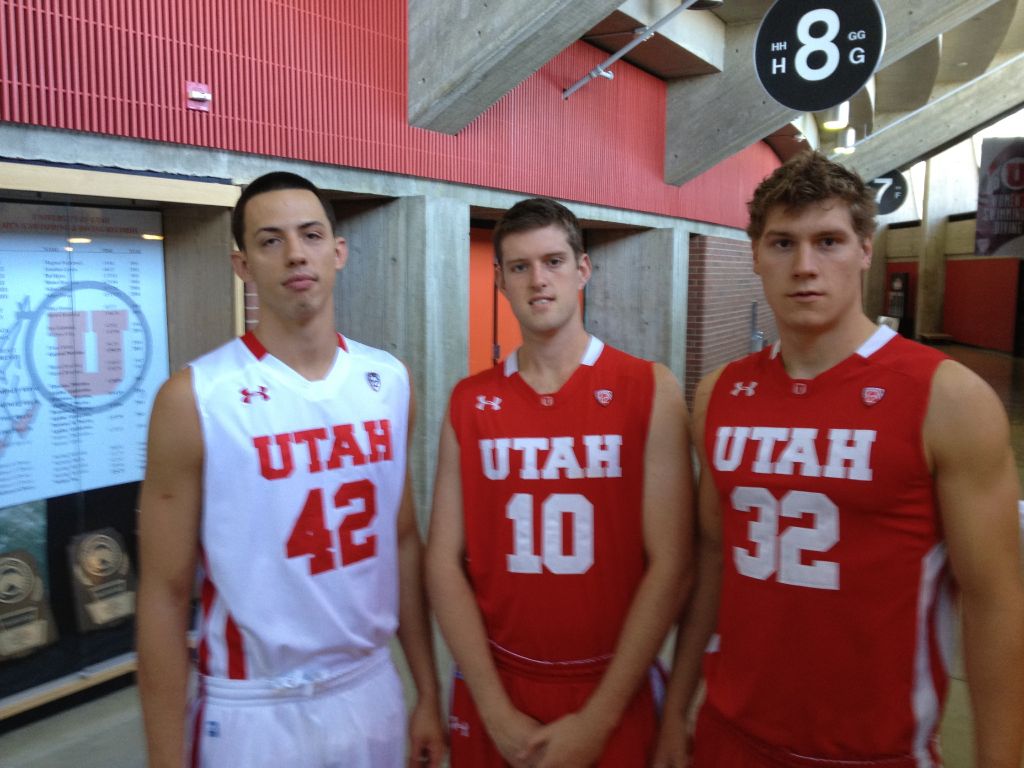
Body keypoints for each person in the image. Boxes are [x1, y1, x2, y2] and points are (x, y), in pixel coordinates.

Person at [653, 151, 1024, 767]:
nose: (804, 267)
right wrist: (677, 710)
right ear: (754, 255)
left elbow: (994, 601)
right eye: (782, 243)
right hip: (729, 737)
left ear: (865, 250)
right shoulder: (718, 393)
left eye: (828, 241)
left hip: (875, 752)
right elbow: (713, 561)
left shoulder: (947, 397)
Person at [136, 171, 446, 768]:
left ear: (339, 252)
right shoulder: (195, 397)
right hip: (254, 708)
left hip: (370, 687)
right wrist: (163, 757)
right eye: (270, 240)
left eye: (310, 235)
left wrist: (428, 690)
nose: (295, 253)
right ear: (242, 264)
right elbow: (164, 595)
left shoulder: (389, 381)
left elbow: (403, 541)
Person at [426, 197, 693, 767]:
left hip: (610, 681)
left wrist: (600, 717)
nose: (538, 280)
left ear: (583, 269)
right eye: (519, 267)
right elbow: (442, 561)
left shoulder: (648, 387)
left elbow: (673, 562)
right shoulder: (470, 402)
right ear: (498, 280)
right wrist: (493, 709)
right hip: (498, 677)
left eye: (552, 261)